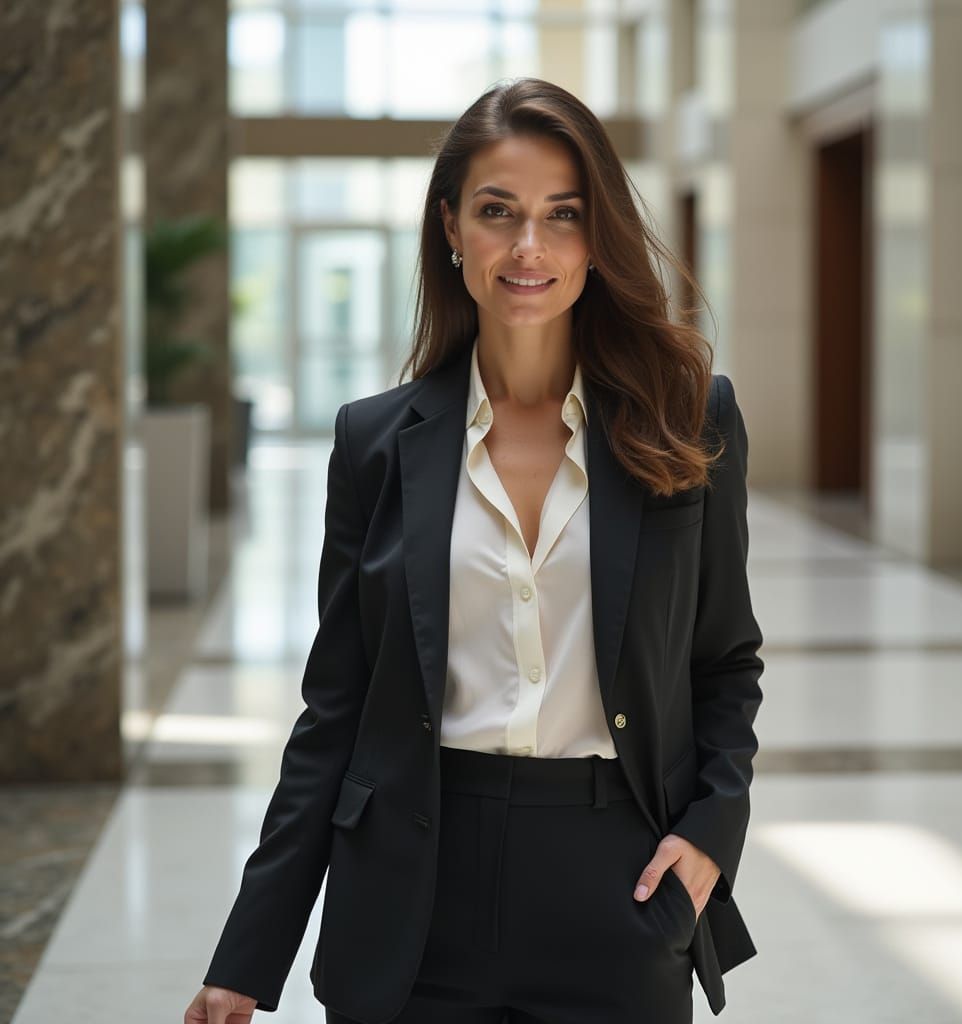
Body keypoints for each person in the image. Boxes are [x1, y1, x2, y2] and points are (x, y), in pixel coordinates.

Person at [185, 76, 764, 1024]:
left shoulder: (688, 419)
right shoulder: (374, 444)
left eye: (563, 215)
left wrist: (710, 835)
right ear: (451, 228)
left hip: (617, 887)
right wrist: (247, 956)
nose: (528, 246)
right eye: (498, 212)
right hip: (416, 895)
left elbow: (725, 659)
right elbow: (335, 712)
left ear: (597, 236)